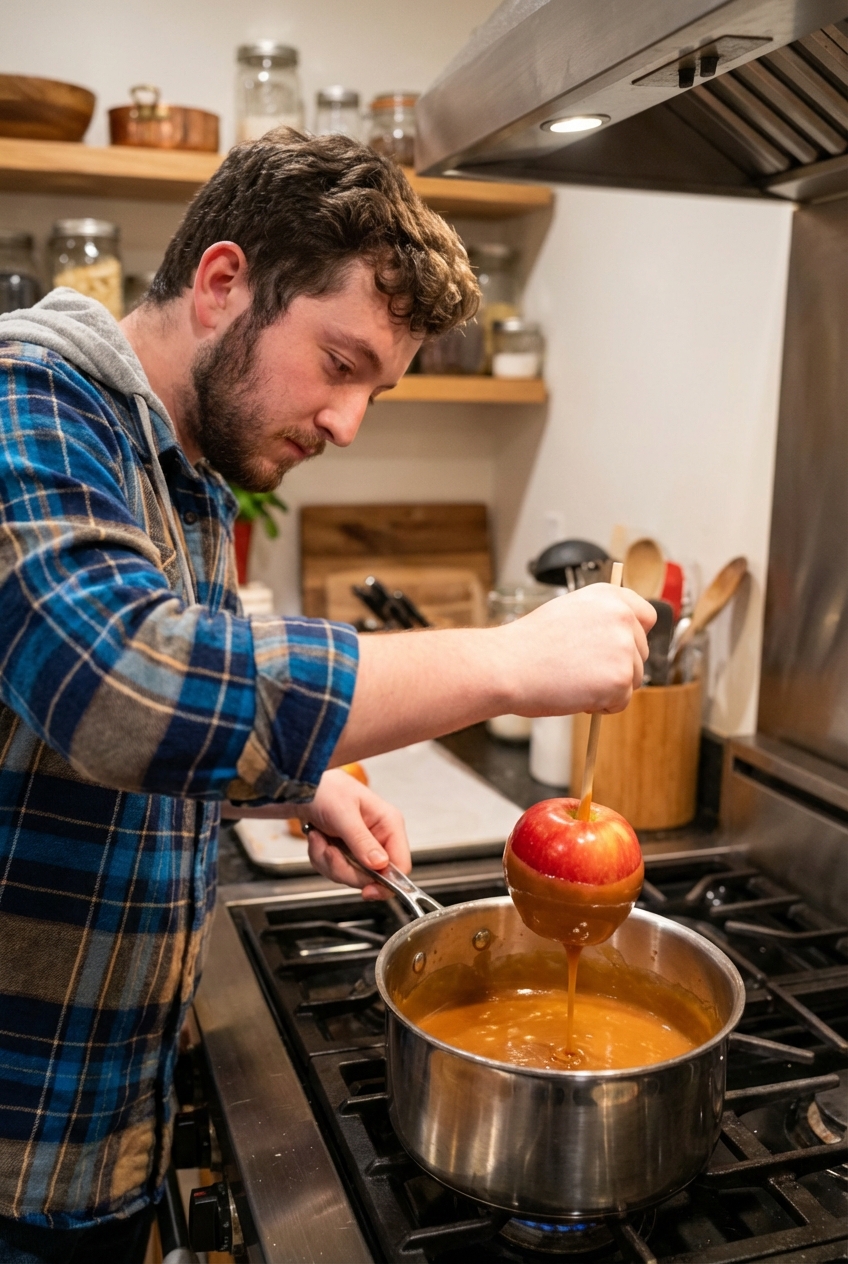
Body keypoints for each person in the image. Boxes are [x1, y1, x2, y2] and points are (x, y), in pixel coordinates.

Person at [0, 129, 653, 1260]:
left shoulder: (179, 462)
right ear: (221, 283)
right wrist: (507, 658)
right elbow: (122, 689)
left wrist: (295, 785)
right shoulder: (27, 404)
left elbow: (98, 740)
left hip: (93, 1118)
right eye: (341, 364)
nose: (348, 423)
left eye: (376, 391)